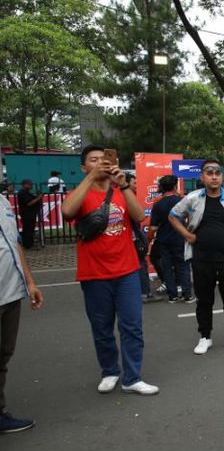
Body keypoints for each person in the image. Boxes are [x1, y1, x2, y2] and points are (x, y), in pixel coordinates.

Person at [61, 145, 159, 395]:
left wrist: (124, 186)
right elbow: (67, 212)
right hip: (94, 274)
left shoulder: (120, 192)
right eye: (93, 160)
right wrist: (91, 179)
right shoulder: (79, 193)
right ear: (84, 167)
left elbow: (138, 217)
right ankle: (110, 371)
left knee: (132, 327)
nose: (100, 163)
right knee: (102, 328)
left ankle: (132, 377)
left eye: (103, 159)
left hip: (126, 271)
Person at [169, 159, 224, 355]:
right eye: (210, 173)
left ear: (222, 177)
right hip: (201, 258)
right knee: (204, 300)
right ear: (202, 176)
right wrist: (187, 235)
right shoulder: (193, 198)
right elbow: (173, 216)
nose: (214, 176)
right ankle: (205, 337)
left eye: (218, 173)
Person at [0, 192, 43, 432]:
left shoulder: (3, 201)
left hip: (10, 292)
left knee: (3, 354)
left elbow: (14, 243)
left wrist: (30, 282)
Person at [150, 175, 193, 304]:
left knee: (167, 267)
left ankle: (172, 296)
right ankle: (187, 295)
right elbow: (190, 219)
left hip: (163, 239)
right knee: (183, 266)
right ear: (175, 186)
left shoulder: (158, 204)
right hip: (180, 238)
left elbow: (153, 227)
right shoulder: (182, 201)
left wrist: (148, 240)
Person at [125, 174, 163, 304]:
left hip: (133, 238)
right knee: (141, 264)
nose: (136, 185)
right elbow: (138, 218)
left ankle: (140, 292)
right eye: (134, 183)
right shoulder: (125, 199)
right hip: (132, 239)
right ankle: (145, 293)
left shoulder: (127, 198)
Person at [17, 179, 42, 249]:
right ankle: (28, 245)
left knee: (30, 229)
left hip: (30, 214)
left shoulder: (27, 192)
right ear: (25, 185)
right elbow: (29, 203)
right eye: (30, 184)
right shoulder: (22, 193)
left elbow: (32, 199)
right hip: (27, 214)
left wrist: (38, 196)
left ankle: (28, 244)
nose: (31, 186)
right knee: (28, 230)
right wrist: (38, 198)